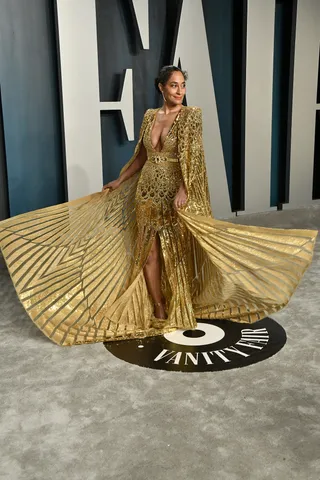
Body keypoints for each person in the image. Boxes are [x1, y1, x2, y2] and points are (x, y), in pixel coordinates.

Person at [0, 65, 317, 346]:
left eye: (182, 85)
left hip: (173, 193)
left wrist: (184, 189)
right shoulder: (151, 116)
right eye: (174, 85)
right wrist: (120, 180)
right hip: (146, 192)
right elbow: (140, 157)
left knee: (175, 250)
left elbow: (192, 160)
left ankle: (182, 304)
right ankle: (159, 307)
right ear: (161, 88)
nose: (180, 91)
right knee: (149, 251)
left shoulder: (191, 117)